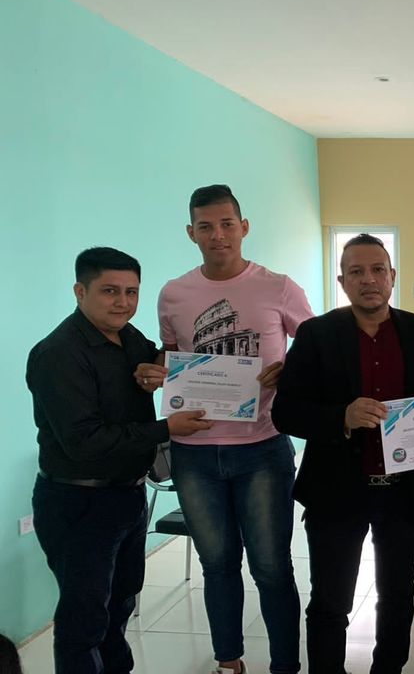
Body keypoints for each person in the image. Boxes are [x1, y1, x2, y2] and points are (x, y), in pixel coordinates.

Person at [137, 185, 313, 674]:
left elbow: (317, 346)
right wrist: (156, 371)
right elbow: (172, 355)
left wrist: (290, 370)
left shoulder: (278, 287)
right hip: (192, 452)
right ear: (191, 233)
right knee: (216, 565)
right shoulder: (174, 293)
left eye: (227, 224)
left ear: (244, 227)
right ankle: (228, 661)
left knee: (271, 567)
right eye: (206, 227)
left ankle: (284, 665)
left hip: (262, 448)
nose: (218, 235)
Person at [272, 233, 414, 674]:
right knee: (330, 601)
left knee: (398, 595)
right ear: (342, 281)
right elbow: (285, 413)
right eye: (356, 271)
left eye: (377, 270)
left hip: (404, 492)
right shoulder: (316, 335)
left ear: (393, 276)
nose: (368, 279)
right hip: (336, 491)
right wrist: (342, 416)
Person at [27, 248, 210, 674]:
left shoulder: (129, 339)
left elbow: (161, 362)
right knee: (84, 619)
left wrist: (159, 368)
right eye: (109, 291)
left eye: (131, 292)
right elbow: (84, 442)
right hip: (79, 502)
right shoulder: (59, 354)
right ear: (80, 291)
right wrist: (166, 428)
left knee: (120, 604)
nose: (122, 302)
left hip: (127, 497)